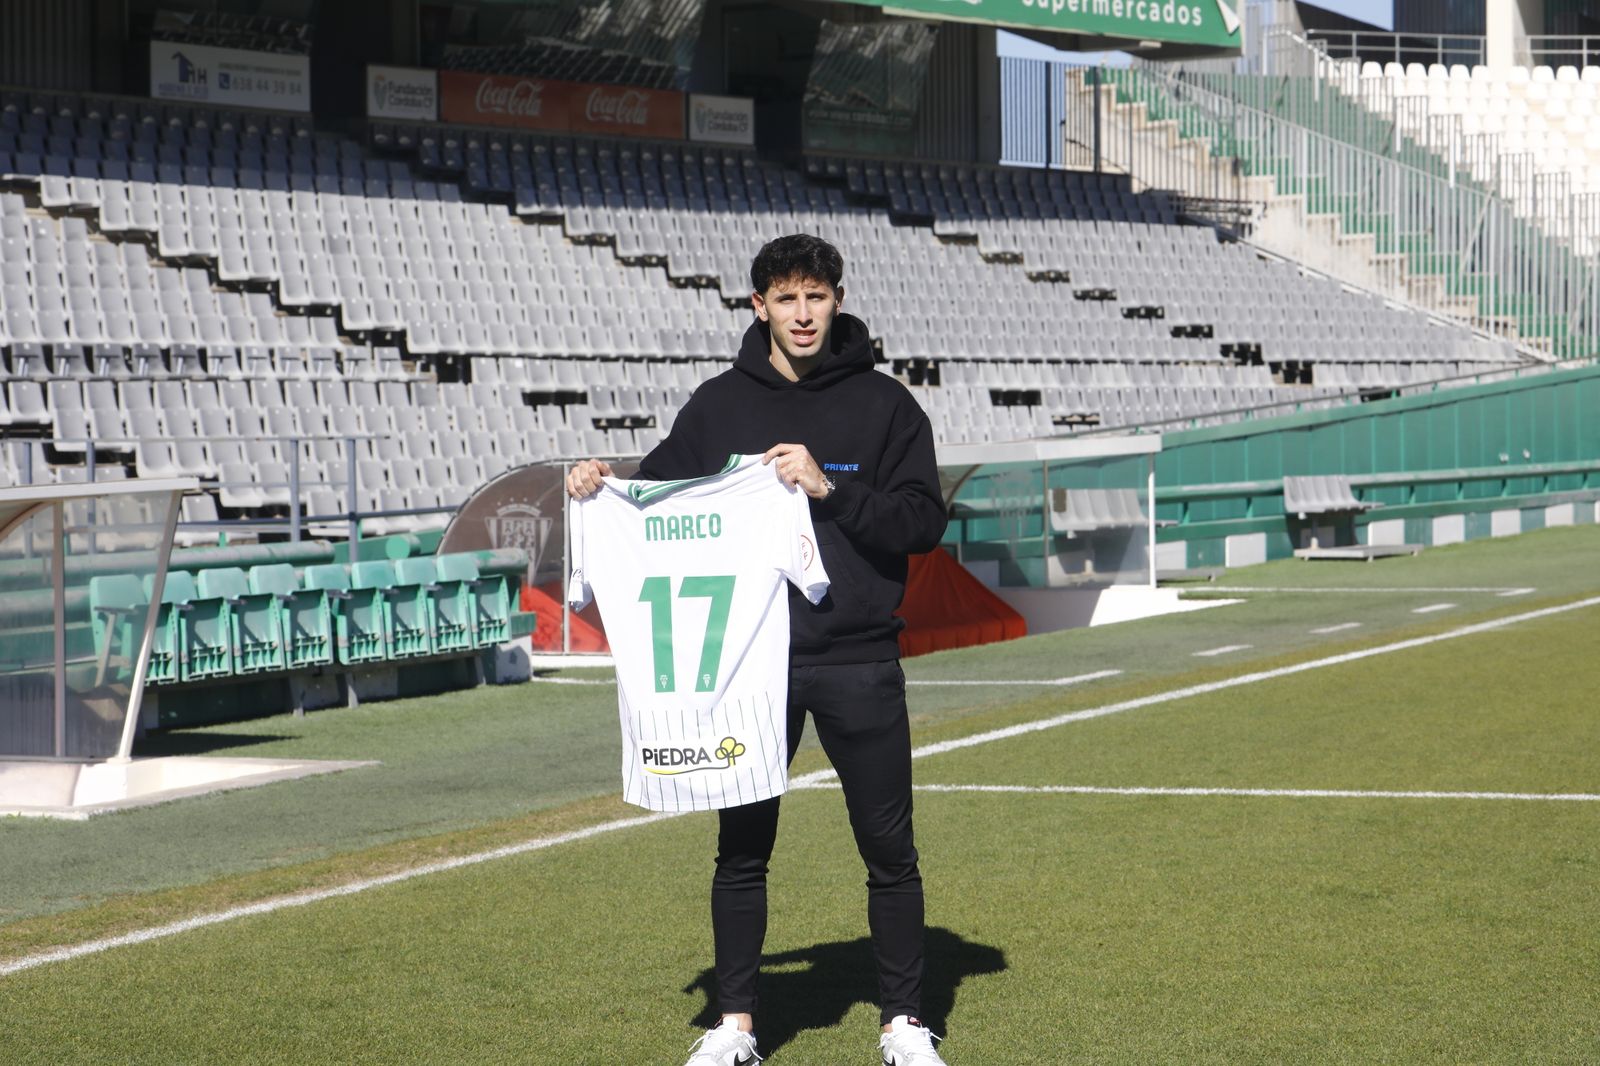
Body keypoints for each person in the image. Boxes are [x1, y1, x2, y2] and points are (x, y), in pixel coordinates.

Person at [565, 233, 950, 1065]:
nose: (803, 314)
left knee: (889, 849)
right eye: (786, 298)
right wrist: (601, 488)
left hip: (857, 659)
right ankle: (734, 1025)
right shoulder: (717, 406)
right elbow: (661, 500)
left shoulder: (887, 406)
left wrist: (829, 488)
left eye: (816, 297)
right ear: (759, 307)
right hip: (747, 667)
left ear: (837, 301)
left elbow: (922, 522)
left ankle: (904, 1022)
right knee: (741, 851)